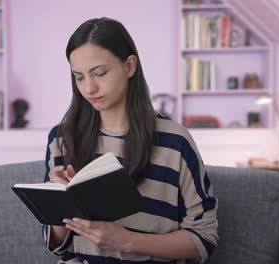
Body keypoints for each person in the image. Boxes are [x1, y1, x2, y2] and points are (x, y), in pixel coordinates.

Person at [42, 17, 218, 264]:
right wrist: (59, 209)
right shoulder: (61, 139)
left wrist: (127, 241)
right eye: (79, 77)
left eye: (99, 73)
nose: (89, 88)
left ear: (129, 66)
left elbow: (204, 238)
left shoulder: (174, 142)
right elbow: (57, 245)